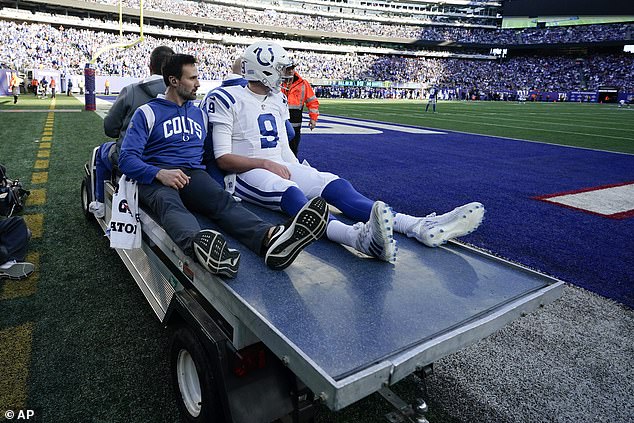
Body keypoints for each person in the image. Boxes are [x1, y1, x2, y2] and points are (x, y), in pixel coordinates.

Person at [202, 41, 485, 264]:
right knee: (292, 194)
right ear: (263, 70)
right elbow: (222, 158)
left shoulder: (276, 97)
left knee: (334, 184)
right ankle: (355, 238)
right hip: (244, 174)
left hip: (276, 163)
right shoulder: (226, 98)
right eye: (281, 69)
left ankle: (418, 226)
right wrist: (264, 162)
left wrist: (303, 170)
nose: (287, 75)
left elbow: (283, 148)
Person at [118, 53, 328, 277]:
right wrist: (159, 173)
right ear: (173, 81)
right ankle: (199, 247)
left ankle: (270, 239)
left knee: (222, 201)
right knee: (169, 203)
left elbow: (210, 155)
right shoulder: (148, 112)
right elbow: (126, 159)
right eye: (192, 78)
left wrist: (221, 184)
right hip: (155, 176)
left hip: (191, 173)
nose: (198, 84)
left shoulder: (199, 114)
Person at [90, 46, 175, 218]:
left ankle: (99, 203)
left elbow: (110, 128)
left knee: (101, 152)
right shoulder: (180, 92)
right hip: (170, 159)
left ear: (150, 66)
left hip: (135, 158)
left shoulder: (131, 91)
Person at [282, 66, 319, 156]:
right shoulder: (276, 82)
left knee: (293, 150)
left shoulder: (303, 83)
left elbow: (312, 101)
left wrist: (313, 119)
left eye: (292, 68)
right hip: (280, 121)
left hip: (296, 122)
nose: (291, 71)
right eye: (288, 69)